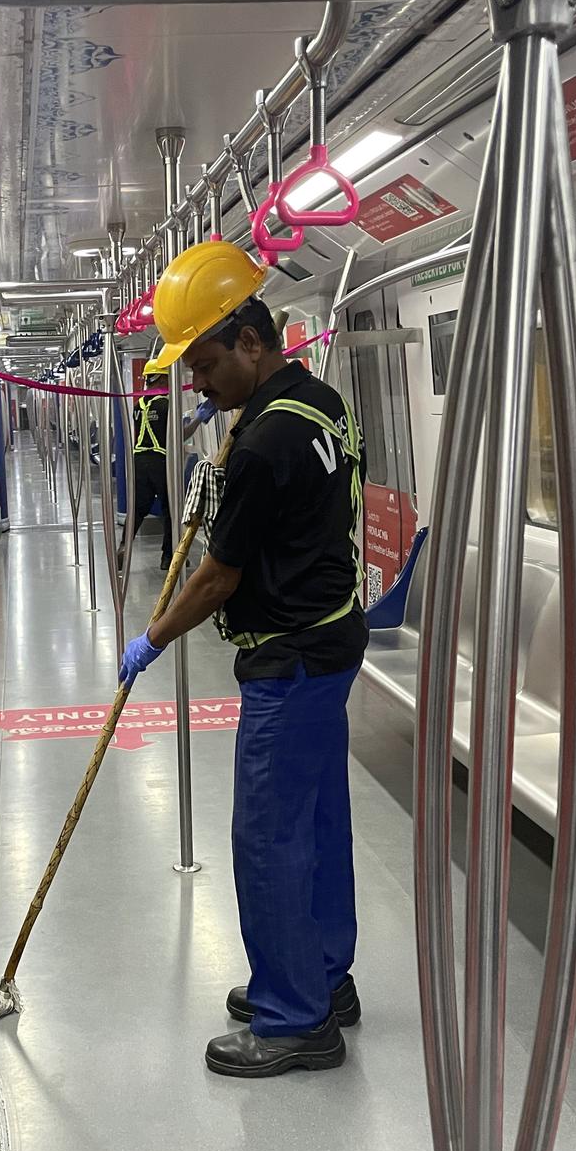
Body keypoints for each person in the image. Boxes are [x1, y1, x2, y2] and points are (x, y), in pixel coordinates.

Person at [119, 240, 367, 1080]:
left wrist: (150, 640)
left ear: (252, 341)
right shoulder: (318, 403)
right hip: (333, 639)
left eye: (206, 362)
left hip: (288, 658)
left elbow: (219, 578)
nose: (195, 382)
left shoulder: (261, 447)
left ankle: (295, 1017)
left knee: (267, 836)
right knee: (318, 819)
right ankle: (325, 978)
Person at [125, 360, 214, 570]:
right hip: (160, 461)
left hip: (139, 460)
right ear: (164, 378)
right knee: (172, 509)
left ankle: (124, 547)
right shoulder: (166, 405)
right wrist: (198, 419)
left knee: (137, 509)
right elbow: (179, 436)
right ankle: (168, 556)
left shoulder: (139, 406)